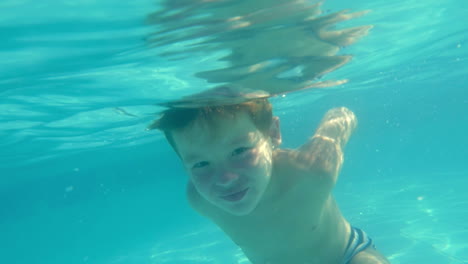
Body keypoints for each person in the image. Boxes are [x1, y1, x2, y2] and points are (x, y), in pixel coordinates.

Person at [150, 97, 390, 264]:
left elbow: (341, 118)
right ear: (182, 163)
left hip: (347, 255)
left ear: (273, 134)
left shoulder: (312, 169)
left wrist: (342, 116)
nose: (225, 179)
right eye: (201, 164)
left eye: (239, 151)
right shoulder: (199, 199)